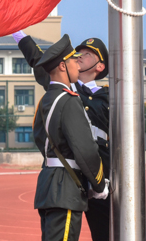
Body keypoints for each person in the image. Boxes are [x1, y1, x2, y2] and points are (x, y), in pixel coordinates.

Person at [15, 32, 111, 241]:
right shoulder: (66, 91)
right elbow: (41, 61)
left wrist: (102, 181)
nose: (80, 57)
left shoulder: (110, 97)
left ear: (100, 66)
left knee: (105, 234)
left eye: (87, 55)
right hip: (72, 177)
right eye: (77, 55)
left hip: (100, 174)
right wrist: (20, 37)